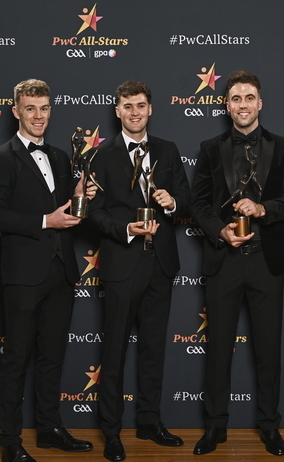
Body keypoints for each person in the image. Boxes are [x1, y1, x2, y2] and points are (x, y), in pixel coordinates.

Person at [190, 71, 284, 456]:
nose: (242, 104)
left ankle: (270, 426)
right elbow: (199, 204)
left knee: (268, 350)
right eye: (236, 98)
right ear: (227, 105)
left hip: (266, 263)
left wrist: (263, 208)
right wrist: (220, 231)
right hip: (223, 261)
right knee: (219, 348)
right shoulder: (209, 147)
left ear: (260, 103)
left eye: (249, 97)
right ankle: (215, 427)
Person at [0, 79, 95, 462]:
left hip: (62, 272)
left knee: (52, 356)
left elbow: (69, 210)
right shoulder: (1, 156)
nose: (38, 116)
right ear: (16, 111)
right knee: (17, 358)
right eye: (30, 108)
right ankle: (11, 442)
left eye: (44, 108)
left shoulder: (62, 156)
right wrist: (46, 221)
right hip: (24, 275)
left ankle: (48, 429)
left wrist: (81, 196)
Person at [89, 80, 190, 462]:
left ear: (151, 109)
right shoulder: (102, 156)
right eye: (128, 106)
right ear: (117, 111)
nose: (135, 112)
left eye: (141, 105)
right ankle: (111, 431)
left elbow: (189, 202)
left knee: (153, 349)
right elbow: (94, 214)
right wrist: (125, 229)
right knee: (113, 351)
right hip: (121, 264)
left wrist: (172, 200)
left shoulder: (168, 150)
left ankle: (149, 421)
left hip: (160, 265)